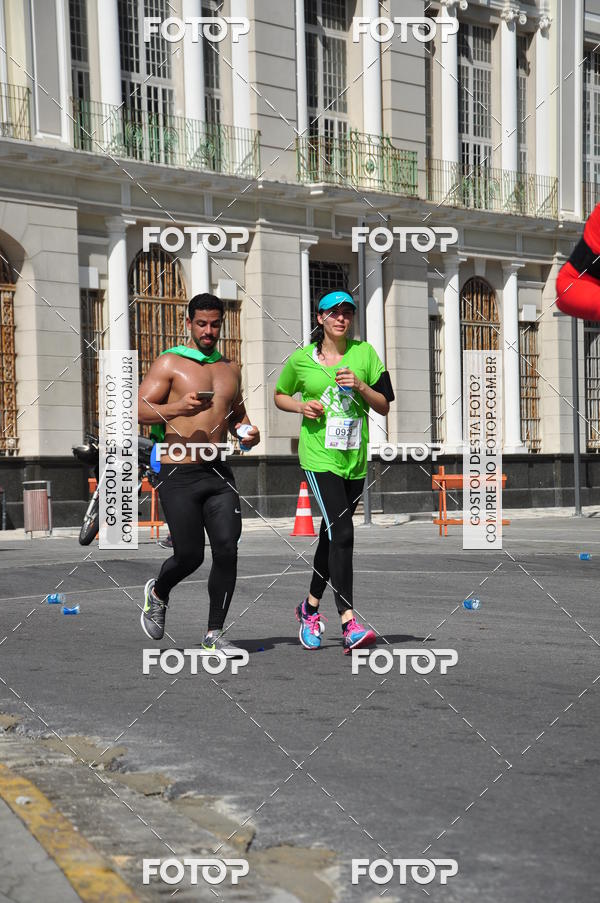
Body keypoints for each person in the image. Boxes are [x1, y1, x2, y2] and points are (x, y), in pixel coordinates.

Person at [137, 293, 259, 655]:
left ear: (222, 324)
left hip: (217, 471)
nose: (209, 331)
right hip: (177, 471)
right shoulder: (170, 362)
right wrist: (178, 407)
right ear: (188, 323)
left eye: (215, 324)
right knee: (190, 556)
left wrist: (248, 433)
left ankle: (214, 633)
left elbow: (239, 417)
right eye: (201, 323)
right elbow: (137, 412)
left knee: (226, 548)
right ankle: (158, 592)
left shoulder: (230, 369)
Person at [274, 290, 394, 654]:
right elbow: (279, 395)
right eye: (335, 313)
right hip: (319, 458)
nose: (342, 318)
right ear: (320, 318)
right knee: (343, 531)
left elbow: (385, 404)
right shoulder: (302, 360)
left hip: (353, 459)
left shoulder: (365, 354)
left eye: (348, 313)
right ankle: (348, 622)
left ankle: (309, 609)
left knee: (332, 538)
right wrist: (301, 406)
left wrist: (360, 385)